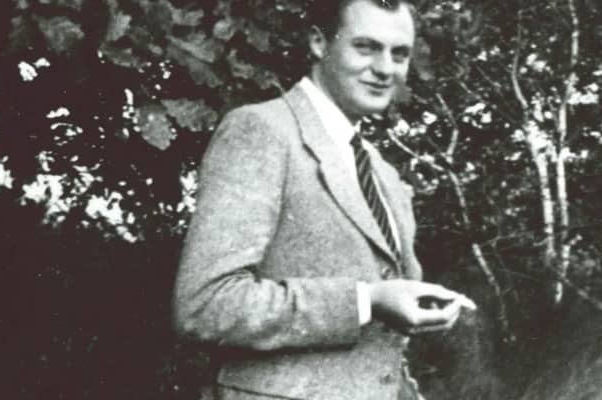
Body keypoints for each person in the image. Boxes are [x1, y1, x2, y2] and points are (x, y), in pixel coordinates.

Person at [173, 1, 475, 399]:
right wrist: (366, 300)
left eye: (399, 54)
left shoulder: (382, 172)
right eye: (366, 47)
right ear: (319, 43)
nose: (385, 68)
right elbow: (206, 305)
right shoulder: (262, 130)